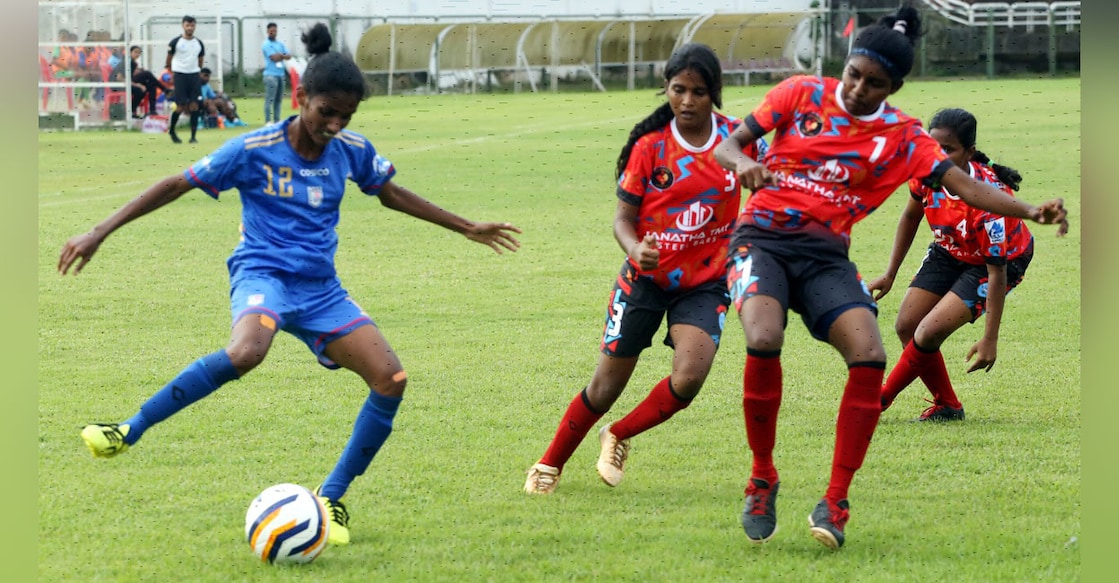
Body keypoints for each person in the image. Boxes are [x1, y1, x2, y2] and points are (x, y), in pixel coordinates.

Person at [60, 23, 522, 547]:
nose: (335, 124)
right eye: (328, 111)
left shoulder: (350, 148)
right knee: (247, 352)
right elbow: (175, 183)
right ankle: (129, 428)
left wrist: (466, 226)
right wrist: (98, 231)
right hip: (263, 275)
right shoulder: (253, 148)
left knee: (391, 380)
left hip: (321, 289)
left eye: (347, 116)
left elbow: (389, 193)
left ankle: (332, 498)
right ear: (301, 98)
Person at [712, 6, 1067, 550]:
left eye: (874, 83)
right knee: (763, 336)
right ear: (845, 65)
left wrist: (1028, 210)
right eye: (853, 74)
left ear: (894, 87)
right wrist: (741, 165)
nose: (857, 89)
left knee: (871, 356)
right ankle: (762, 478)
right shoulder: (799, 93)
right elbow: (728, 143)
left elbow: (967, 188)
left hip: (827, 256)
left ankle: (836, 500)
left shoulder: (903, 136)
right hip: (761, 241)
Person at [523, 43, 767, 495]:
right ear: (667, 90)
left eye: (698, 91)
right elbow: (621, 219)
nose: (688, 101)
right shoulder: (649, 148)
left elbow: (773, 181)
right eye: (678, 90)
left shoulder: (739, 138)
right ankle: (549, 463)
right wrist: (636, 249)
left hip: (707, 282)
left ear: (714, 93)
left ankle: (618, 434)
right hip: (644, 281)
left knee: (690, 377)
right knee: (604, 387)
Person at [869, 107, 1069, 422]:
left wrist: (990, 338)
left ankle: (877, 401)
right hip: (951, 249)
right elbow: (911, 214)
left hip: (1000, 260)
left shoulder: (988, 203)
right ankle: (947, 405)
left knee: (928, 331)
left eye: (948, 149)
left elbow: (996, 272)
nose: (938, 156)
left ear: (969, 153)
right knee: (907, 325)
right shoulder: (925, 174)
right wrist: (889, 273)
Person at [165, 15, 205, 143]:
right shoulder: (176, 42)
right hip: (180, 75)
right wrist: (172, 72)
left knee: (194, 106)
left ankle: (193, 136)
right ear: (183, 26)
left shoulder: (198, 43)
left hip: (193, 75)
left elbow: (200, 60)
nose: (190, 28)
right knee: (180, 106)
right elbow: (169, 59)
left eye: (192, 25)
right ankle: (172, 131)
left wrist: (195, 70)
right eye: (188, 25)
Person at [111, 45, 170, 117]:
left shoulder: (133, 63)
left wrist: (138, 72)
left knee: (151, 85)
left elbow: (130, 76)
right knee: (145, 78)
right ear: (129, 53)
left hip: (127, 82)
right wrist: (137, 85)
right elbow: (119, 78)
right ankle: (164, 89)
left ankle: (152, 110)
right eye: (135, 52)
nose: (137, 54)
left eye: (139, 53)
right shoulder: (125, 62)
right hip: (118, 85)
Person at [262, 22, 292, 125]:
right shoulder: (266, 44)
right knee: (270, 98)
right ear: (267, 31)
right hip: (270, 75)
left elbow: (289, 56)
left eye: (275, 31)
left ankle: (277, 120)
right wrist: (282, 55)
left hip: (281, 74)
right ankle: (268, 120)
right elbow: (273, 58)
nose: (273, 33)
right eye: (271, 31)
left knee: (278, 100)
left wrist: (281, 55)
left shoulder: (280, 44)